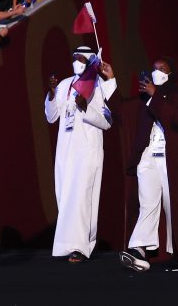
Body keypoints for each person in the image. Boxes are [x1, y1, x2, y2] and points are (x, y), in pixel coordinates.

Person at [120, 58, 178, 272]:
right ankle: (138, 250)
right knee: (148, 203)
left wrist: (156, 96)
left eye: (162, 69)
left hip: (170, 159)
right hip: (148, 159)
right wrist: (110, 80)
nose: (157, 72)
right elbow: (120, 109)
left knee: (173, 205)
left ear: (170, 73)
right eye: (154, 69)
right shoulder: (143, 98)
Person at [45, 48, 117, 262]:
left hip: (86, 151)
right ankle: (68, 244)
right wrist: (50, 94)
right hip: (65, 148)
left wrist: (86, 109)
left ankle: (81, 247)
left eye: (81, 59)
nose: (76, 62)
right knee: (65, 196)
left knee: (82, 198)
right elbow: (51, 117)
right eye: (74, 58)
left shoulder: (97, 84)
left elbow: (108, 121)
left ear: (89, 62)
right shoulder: (65, 84)